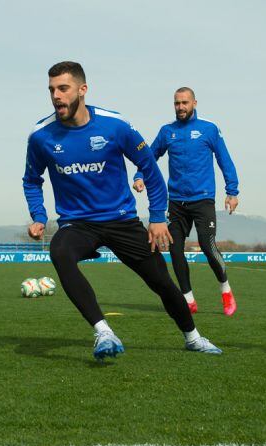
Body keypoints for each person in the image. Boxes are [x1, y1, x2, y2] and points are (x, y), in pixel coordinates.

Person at [23, 61, 222, 360]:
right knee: (60, 251)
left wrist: (156, 217)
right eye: (51, 89)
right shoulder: (41, 136)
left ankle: (193, 337)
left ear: (82, 89)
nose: (56, 96)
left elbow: (150, 169)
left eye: (63, 88)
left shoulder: (115, 126)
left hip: (121, 220)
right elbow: (31, 180)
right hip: (77, 225)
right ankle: (103, 331)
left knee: (162, 283)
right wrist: (39, 216)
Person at [131, 87, 240, 316]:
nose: (180, 107)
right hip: (177, 203)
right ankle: (188, 299)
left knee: (208, 247)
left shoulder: (209, 129)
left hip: (203, 200)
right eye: (177, 103)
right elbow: (150, 156)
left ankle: (226, 289)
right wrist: (140, 175)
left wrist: (232, 191)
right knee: (175, 250)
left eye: (185, 103)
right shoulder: (167, 131)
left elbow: (225, 160)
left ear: (194, 103)